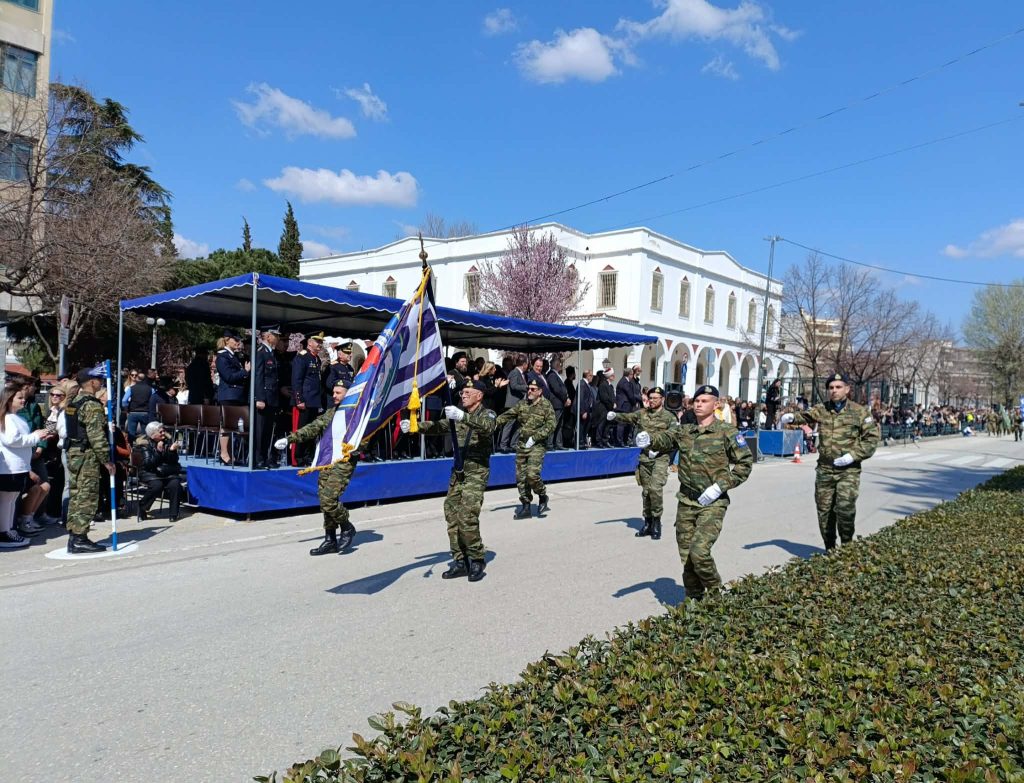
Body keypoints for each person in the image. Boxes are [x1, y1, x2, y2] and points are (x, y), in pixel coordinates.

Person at [637, 384, 753, 601]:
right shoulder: (686, 430)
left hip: (712, 502)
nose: (699, 405)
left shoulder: (727, 432)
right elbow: (667, 439)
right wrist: (649, 439)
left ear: (715, 404)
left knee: (699, 552)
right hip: (686, 500)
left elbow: (744, 464)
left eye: (704, 401)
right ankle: (694, 601)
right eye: (697, 401)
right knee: (687, 558)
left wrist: (720, 486)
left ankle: (717, 595)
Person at [401, 380, 495, 582]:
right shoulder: (456, 415)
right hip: (458, 472)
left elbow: (489, 427)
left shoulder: (486, 415)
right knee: (451, 514)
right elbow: (440, 426)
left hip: (476, 473)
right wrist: (416, 427)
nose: (463, 395)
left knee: (467, 516)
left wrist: (463, 416)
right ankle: (460, 560)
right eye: (462, 392)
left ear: (479, 396)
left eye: (468, 392)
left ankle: (477, 558)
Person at [780, 372, 880, 551]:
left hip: (848, 470)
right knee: (824, 512)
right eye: (831, 388)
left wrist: (853, 456)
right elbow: (807, 416)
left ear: (847, 389)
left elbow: (871, 439)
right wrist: (792, 417)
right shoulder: (823, 409)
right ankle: (830, 550)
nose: (834, 391)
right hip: (825, 469)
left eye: (838, 387)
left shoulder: (859, 412)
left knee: (845, 509)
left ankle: (847, 547)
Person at [276, 379, 357, 555]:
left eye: (338, 393)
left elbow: (364, 439)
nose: (334, 396)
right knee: (323, 499)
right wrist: (290, 439)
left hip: (343, 460)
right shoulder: (332, 412)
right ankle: (330, 539)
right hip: (327, 460)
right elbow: (314, 427)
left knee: (329, 498)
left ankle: (347, 526)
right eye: (333, 392)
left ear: (348, 394)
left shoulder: (356, 415)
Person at [607, 386, 679, 539]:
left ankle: (657, 522)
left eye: (655, 398)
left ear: (662, 399)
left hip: (660, 456)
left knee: (655, 488)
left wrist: (656, 444)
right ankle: (647, 523)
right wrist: (615, 416)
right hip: (645, 457)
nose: (652, 401)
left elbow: (672, 436)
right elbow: (629, 417)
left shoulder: (669, 417)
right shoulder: (642, 413)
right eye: (650, 398)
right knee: (646, 492)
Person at [64, 368, 116, 553]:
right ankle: (80, 538)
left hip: (74, 453)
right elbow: (96, 436)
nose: (101, 382)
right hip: (86, 456)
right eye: (99, 379)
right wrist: (106, 460)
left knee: (76, 495)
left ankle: (74, 535)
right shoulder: (92, 405)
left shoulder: (74, 402)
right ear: (92, 382)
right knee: (87, 496)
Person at [0, 381, 54, 548]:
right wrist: (35, 436)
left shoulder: (15, 417)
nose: (23, 400)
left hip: (18, 466)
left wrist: (37, 437)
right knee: (7, 500)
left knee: (10, 499)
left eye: (23, 397)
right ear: (9, 399)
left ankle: (9, 530)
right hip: (10, 467)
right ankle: (5, 533)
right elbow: (10, 440)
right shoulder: (8, 418)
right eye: (19, 398)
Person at [495, 378, 556, 518]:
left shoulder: (546, 406)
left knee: (532, 474)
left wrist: (535, 438)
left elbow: (551, 425)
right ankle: (526, 505)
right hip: (522, 444)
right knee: (521, 477)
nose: (529, 391)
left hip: (537, 444)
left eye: (533, 389)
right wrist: (493, 423)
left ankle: (542, 495)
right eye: (529, 388)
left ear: (540, 391)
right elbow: (507, 415)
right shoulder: (522, 404)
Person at [135, 421, 184, 521]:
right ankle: (142, 507)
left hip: (166, 472)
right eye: (160, 432)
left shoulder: (168, 441)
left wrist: (171, 451)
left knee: (175, 484)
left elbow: (174, 461)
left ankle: (173, 514)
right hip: (150, 473)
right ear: (152, 435)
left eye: (163, 431)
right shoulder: (145, 445)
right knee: (157, 485)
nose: (163, 433)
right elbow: (149, 464)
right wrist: (158, 452)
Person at [216, 329, 251, 464]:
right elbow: (229, 377)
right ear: (227, 340)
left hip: (237, 396)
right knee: (226, 425)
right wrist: (245, 371)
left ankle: (231, 454)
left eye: (239, 340)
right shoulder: (222, 357)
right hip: (229, 395)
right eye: (235, 340)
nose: (238, 342)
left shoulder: (234, 356)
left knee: (235, 426)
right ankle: (224, 454)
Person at [291, 334, 324, 467]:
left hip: (314, 401)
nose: (320, 344)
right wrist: (299, 399)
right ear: (310, 342)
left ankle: (307, 456)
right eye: (317, 341)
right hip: (304, 401)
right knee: (300, 430)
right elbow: (297, 380)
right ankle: (296, 458)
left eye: (321, 342)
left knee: (311, 431)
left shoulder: (316, 359)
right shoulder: (302, 357)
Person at [253, 325, 282, 468]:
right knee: (260, 430)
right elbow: (258, 376)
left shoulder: (271, 353)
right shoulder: (261, 352)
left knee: (268, 430)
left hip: (272, 397)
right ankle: (258, 458)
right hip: (264, 397)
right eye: (275, 335)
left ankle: (264, 458)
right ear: (268, 336)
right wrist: (260, 398)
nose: (278, 339)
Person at [498, 355, 529, 452]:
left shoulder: (520, 373)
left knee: (519, 424)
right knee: (509, 424)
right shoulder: (514, 373)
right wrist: (526, 387)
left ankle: (513, 444)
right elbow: (514, 385)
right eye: (527, 364)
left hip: (519, 404)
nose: (527, 366)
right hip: (513, 404)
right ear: (524, 364)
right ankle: (503, 445)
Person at [544, 358, 568, 449]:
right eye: (560, 364)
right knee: (553, 424)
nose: (561, 366)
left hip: (560, 404)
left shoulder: (556, 375)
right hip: (555, 404)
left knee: (559, 425)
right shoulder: (552, 375)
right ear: (557, 365)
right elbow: (557, 389)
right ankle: (549, 444)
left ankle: (558, 443)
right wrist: (565, 398)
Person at [122, 369, 153, 438]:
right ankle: (144, 447)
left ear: (137, 379)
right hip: (145, 412)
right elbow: (153, 399)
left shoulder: (131, 388)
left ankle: (131, 447)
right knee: (144, 434)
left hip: (133, 412)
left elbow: (124, 400)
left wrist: (127, 409)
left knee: (131, 433)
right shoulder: (150, 389)